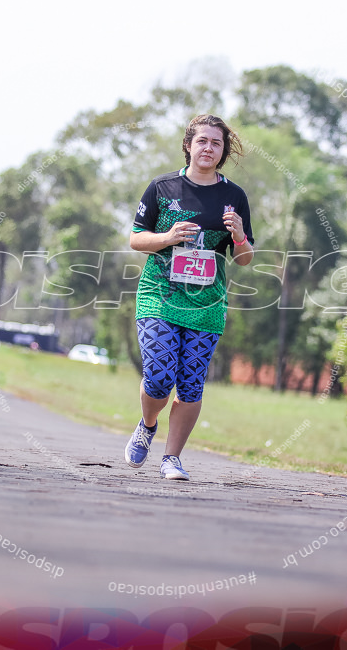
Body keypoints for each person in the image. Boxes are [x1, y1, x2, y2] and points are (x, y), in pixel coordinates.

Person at [124, 114, 254, 480]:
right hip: (159, 295)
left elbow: (244, 258)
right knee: (159, 377)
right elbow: (136, 238)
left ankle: (171, 458)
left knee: (191, 383)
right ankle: (148, 425)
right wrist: (167, 237)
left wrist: (241, 235)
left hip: (207, 304)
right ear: (189, 145)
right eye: (202, 141)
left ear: (223, 150)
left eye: (216, 142)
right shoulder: (162, 187)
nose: (208, 148)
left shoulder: (234, 196)